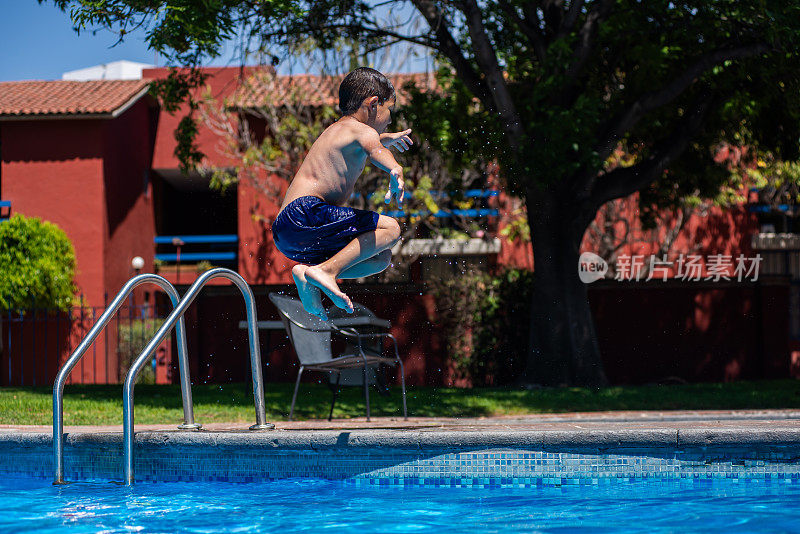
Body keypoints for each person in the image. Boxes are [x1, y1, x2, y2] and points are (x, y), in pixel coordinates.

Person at [271, 67, 413, 320]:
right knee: (391, 230)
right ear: (373, 104)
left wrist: (385, 138)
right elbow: (374, 148)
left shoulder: (340, 130)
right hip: (307, 213)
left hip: (288, 231)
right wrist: (395, 168)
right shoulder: (363, 132)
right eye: (389, 109)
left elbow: (372, 141)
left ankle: (313, 272)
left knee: (380, 258)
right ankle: (325, 272)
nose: (390, 117)